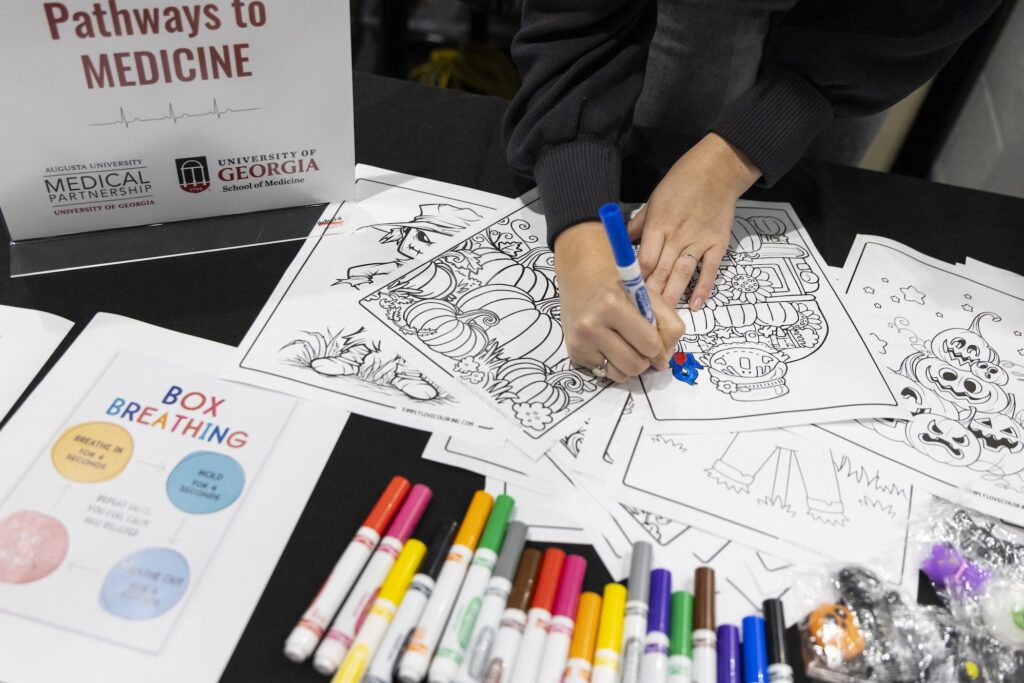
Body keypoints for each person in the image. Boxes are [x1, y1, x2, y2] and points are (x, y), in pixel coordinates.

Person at [503, 0, 1001, 383]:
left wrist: (732, 160)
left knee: (816, 170)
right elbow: (580, 21)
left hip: (876, 21)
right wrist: (582, 241)